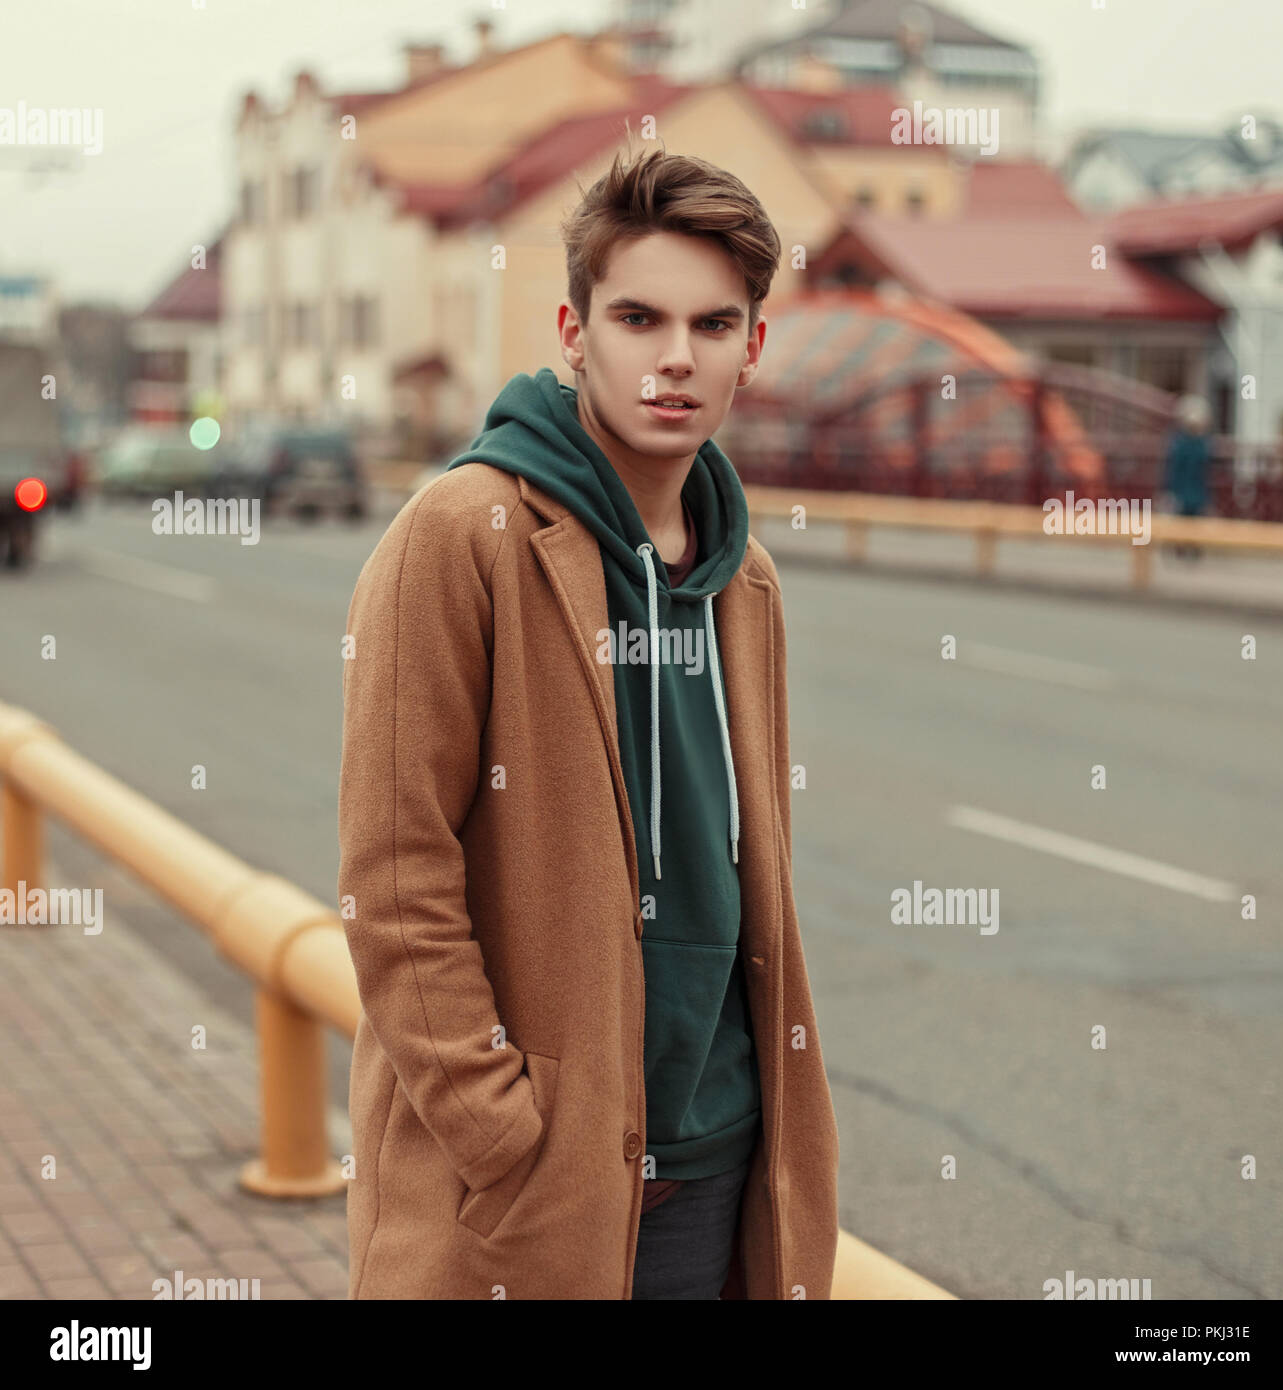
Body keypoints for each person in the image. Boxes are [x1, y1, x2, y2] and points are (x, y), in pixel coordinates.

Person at [337, 145, 839, 1300]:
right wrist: (503, 1128)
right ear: (573, 331)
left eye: (714, 325)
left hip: (725, 1170)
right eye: (637, 317)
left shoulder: (744, 580)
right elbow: (394, 873)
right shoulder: (460, 536)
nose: (675, 357)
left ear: (751, 349)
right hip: (535, 1188)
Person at [1163, 394, 1213, 559]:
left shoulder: (1194, 443)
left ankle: (1190, 549)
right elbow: (1173, 470)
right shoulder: (1184, 444)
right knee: (1183, 521)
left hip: (1194, 492)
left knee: (1193, 521)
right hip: (1185, 491)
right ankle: (1183, 549)